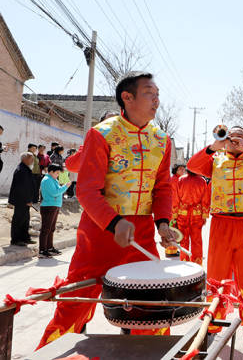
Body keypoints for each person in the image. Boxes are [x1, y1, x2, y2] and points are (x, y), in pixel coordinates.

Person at [38, 72, 176, 348]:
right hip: (99, 235)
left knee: (149, 308)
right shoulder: (101, 134)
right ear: (127, 97)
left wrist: (162, 224)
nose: (157, 100)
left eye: (158, 94)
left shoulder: (162, 140)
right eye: (150, 93)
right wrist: (114, 223)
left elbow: (162, 189)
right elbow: (87, 190)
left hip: (142, 236)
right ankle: (48, 353)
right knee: (74, 303)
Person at [188, 126, 243, 347]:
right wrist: (212, 147)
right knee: (217, 278)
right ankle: (213, 325)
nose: (235, 140)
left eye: (240, 137)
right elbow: (192, 165)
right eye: (231, 137)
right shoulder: (214, 161)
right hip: (221, 224)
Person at [174, 169, 209, 265]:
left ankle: (184, 263)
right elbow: (205, 199)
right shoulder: (202, 180)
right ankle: (197, 264)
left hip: (182, 214)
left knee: (183, 240)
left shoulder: (181, 179)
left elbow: (176, 198)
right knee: (196, 241)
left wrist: (174, 215)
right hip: (196, 214)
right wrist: (205, 215)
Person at [39, 164, 70, 258]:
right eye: (57, 173)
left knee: (51, 229)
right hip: (48, 206)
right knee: (46, 228)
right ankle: (42, 250)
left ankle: (49, 247)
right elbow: (54, 193)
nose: (58, 175)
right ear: (51, 171)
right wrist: (65, 186)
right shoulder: (47, 180)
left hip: (54, 205)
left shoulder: (53, 180)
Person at [8, 152, 37, 246]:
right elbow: (22, 188)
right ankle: (16, 240)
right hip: (21, 200)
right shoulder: (21, 170)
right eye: (31, 159)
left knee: (25, 220)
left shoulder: (25, 169)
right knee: (18, 220)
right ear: (25, 159)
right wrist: (27, 200)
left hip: (24, 200)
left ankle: (25, 238)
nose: (32, 161)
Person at [166, 164, 186, 258]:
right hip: (173, 208)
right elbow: (175, 197)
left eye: (183, 169)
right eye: (180, 169)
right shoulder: (175, 180)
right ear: (175, 170)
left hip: (173, 208)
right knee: (172, 229)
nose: (183, 171)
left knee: (173, 229)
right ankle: (170, 250)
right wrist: (176, 210)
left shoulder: (177, 179)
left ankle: (172, 249)